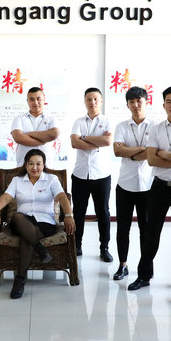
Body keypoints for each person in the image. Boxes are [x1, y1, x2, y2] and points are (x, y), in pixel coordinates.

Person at [128, 86, 171, 291]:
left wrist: (165, 154)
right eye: (168, 101)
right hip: (159, 187)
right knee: (151, 233)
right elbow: (151, 160)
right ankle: (144, 275)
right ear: (163, 105)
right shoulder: (156, 128)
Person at [0, 149, 76, 299]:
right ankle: (40, 248)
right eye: (31, 164)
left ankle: (19, 280)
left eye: (38, 164)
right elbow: (6, 197)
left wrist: (68, 215)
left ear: (43, 165)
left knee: (26, 238)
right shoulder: (17, 180)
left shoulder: (51, 179)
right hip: (20, 222)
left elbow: (62, 197)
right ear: (26, 165)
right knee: (18, 217)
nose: (35, 168)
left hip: (44, 223)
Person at [111, 86, 153, 281]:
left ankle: (145, 267)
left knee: (146, 230)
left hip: (147, 187)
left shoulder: (155, 126)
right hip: (125, 186)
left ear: (146, 102)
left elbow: (153, 153)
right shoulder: (122, 126)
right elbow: (117, 151)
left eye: (139, 101)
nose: (136, 105)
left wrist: (131, 151)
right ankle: (123, 265)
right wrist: (143, 150)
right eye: (132, 102)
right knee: (123, 229)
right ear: (127, 104)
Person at [69, 87, 114, 261]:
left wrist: (84, 137)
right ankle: (77, 245)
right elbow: (74, 143)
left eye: (95, 99)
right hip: (80, 174)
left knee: (103, 212)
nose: (92, 102)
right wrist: (96, 141)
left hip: (101, 175)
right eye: (89, 99)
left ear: (101, 101)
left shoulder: (107, 121)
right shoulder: (78, 121)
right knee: (78, 212)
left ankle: (104, 247)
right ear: (85, 101)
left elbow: (107, 141)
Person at [11, 86, 60, 165]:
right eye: (31, 99)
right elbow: (18, 137)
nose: (35, 102)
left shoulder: (52, 119)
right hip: (23, 166)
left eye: (38, 99)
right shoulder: (19, 118)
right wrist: (43, 140)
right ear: (27, 101)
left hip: (46, 166)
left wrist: (28, 134)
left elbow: (54, 134)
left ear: (44, 99)